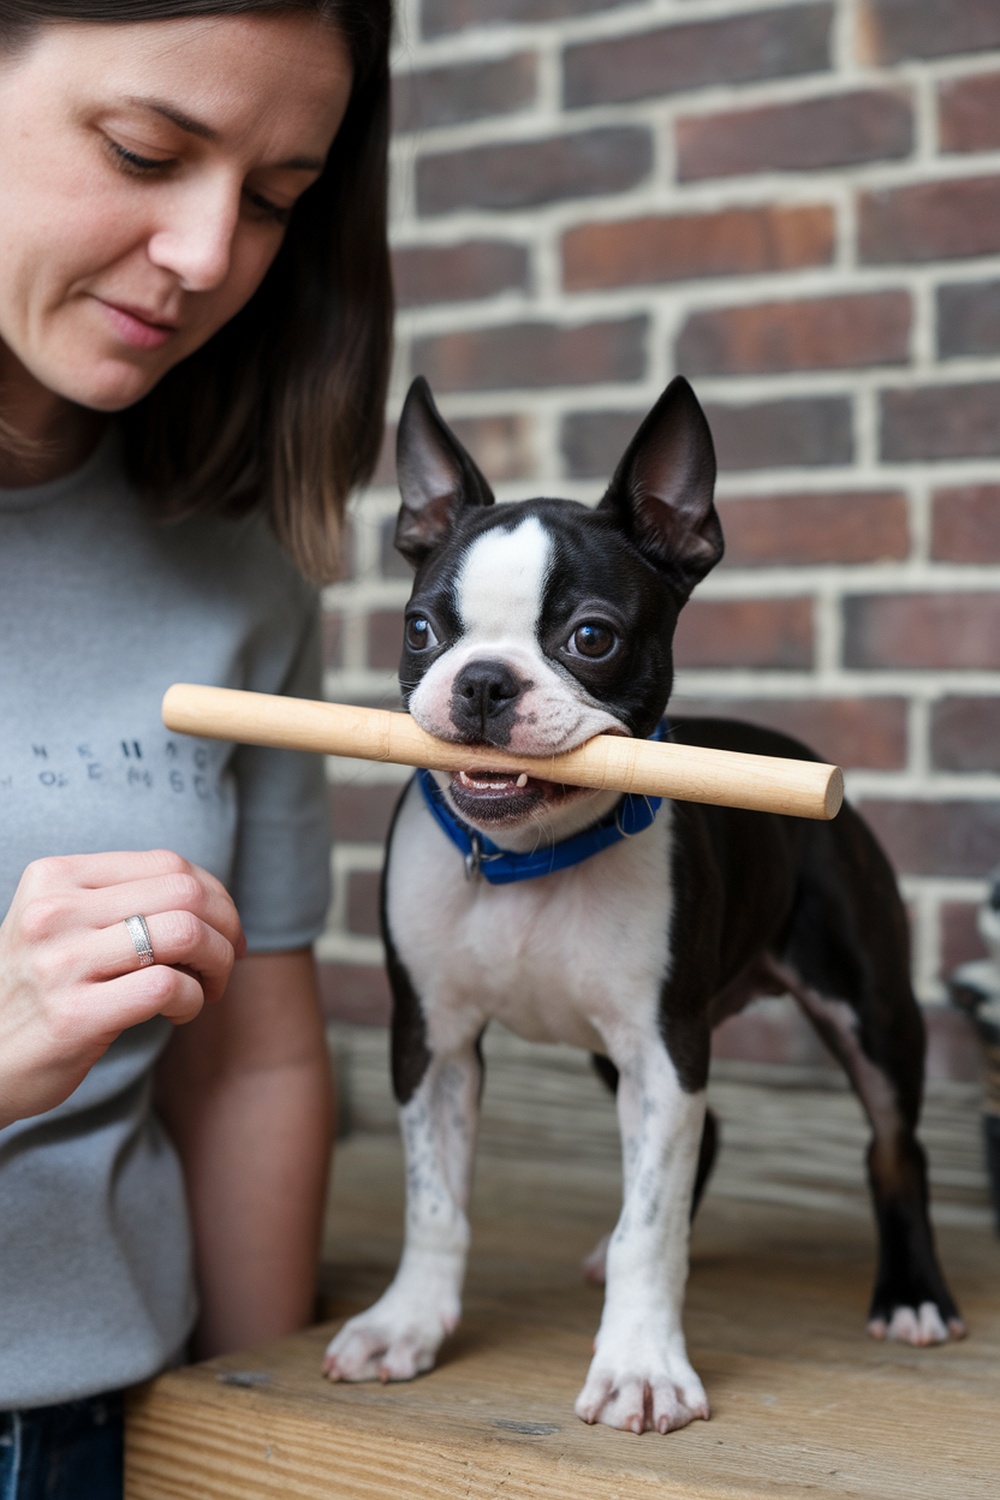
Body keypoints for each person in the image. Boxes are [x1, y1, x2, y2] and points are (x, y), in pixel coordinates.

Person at [0, 2, 392, 1494]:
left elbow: (251, 1066)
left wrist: (270, 1434)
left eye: (279, 200)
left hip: (96, 1441)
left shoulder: (236, 563)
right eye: (144, 150)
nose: (208, 255)